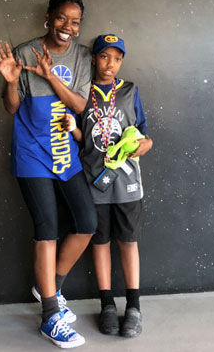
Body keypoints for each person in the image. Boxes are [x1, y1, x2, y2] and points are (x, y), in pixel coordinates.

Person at [0, 0, 97, 349]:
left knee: (86, 223)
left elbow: (80, 105)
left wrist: (52, 78)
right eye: (62, 18)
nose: (69, 27)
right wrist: (9, 80)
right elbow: (11, 107)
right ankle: (51, 315)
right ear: (48, 18)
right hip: (32, 153)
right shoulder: (23, 51)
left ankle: (49, 283)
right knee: (46, 228)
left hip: (66, 153)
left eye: (76, 21)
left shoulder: (83, 57)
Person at [63, 34, 153, 338]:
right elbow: (81, 138)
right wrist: (73, 130)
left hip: (127, 180)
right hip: (93, 181)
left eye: (116, 58)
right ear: (93, 58)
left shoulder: (129, 91)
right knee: (99, 242)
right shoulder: (81, 92)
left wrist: (147, 144)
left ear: (122, 61)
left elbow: (143, 133)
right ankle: (106, 305)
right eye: (104, 56)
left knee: (128, 241)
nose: (109, 63)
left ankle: (134, 307)